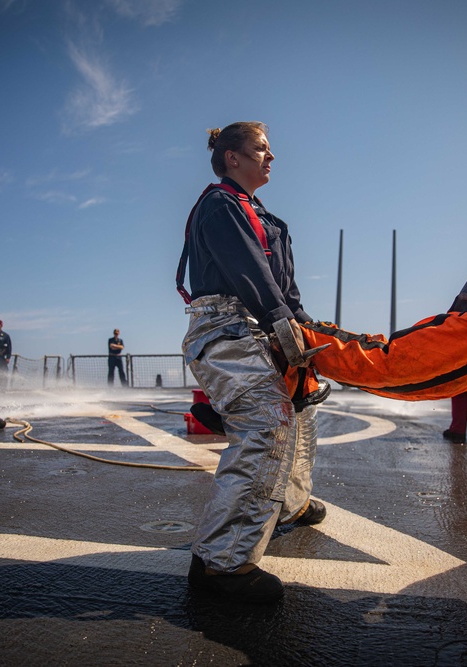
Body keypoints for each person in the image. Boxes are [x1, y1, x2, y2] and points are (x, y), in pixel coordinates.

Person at [177, 121, 326, 603]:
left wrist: (311, 332)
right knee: (267, 424)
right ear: (232, 158)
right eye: (261, 149)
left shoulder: (271, 221)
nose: (271, 156)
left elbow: (285, 290)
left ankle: (291, 503)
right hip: (227, 330)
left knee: (303, 411)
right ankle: (222, 564)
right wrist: (284, 324)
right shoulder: (220, 205)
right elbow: (250, 273)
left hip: (262, 326)